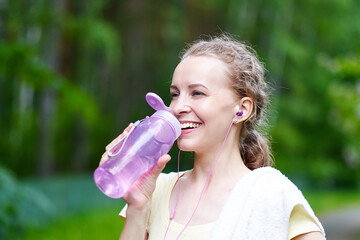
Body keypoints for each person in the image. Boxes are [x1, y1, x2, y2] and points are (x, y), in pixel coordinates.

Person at [100, 35, 326, 240]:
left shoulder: (272, 196)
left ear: (242, 109)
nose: (178, 107)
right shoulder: (155, 190)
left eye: (197, 93)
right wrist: (138, 208)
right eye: (175, 94)